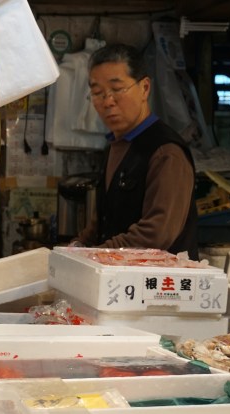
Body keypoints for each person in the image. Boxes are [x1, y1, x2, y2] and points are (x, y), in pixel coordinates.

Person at [71, 44, 199, 260]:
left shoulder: (165, 151)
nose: (108, 102)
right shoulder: (115, 146)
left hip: (157, 288)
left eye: (117, 89)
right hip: (119, 282)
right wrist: (79, 245)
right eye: (97, 93)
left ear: (145, 88)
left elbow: (157, 234)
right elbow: (105, 217)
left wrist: (97, 254)